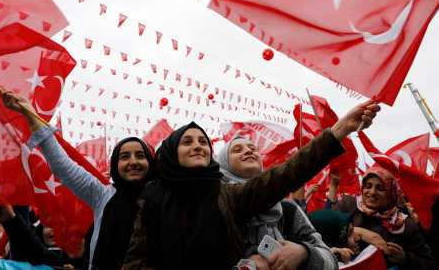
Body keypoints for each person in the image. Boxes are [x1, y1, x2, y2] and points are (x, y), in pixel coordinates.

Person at [123, 100, 380, 270]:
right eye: (187, 142)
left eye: (202, 141)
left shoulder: (228, 195)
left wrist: (337, 132)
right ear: (170, 153)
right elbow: (135, 261)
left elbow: (287, 174)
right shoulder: (151, 199)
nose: (198, 146)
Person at [0, 86, 158, 270]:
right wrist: (29, 112)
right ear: (114, 165)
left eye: (140, 155)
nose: (133, 162)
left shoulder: (164, 197)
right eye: (124, 157)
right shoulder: (102, 195)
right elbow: (63, 166)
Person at [217, 136, 337, 270]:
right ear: (223, 163)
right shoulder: (217, 207)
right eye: (237, 150)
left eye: (253, 148)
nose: (248, 151)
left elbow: (331, 262)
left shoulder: (288, 208)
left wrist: (304, 253)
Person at [330, 166, 436, 269]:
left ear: (391, 193)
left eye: (380, 188)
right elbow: (321, 228)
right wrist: (354, 231)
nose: (372, 192)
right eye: (368, 186)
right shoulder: (348, 205)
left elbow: (429, 264)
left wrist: (404, 258)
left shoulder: (404, 225)